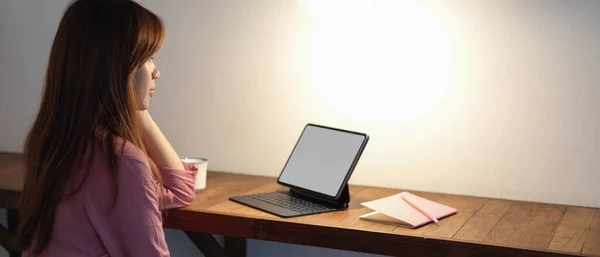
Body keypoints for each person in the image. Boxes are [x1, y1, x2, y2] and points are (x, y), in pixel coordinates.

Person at [13, 0, 198, 256]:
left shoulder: (52, 146)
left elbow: (179, 191)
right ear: (115, 68)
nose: (156, 71)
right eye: (146, 57)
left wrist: (135, 108)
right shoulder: (122, 163)